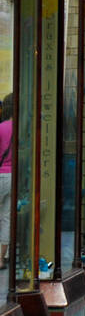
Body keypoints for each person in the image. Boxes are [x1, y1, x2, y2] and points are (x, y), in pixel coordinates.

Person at [0, 92, 12, 271]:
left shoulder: (1, 127)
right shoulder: (24, 128)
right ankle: (1, 259)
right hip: (13, 177)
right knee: (6, 217)